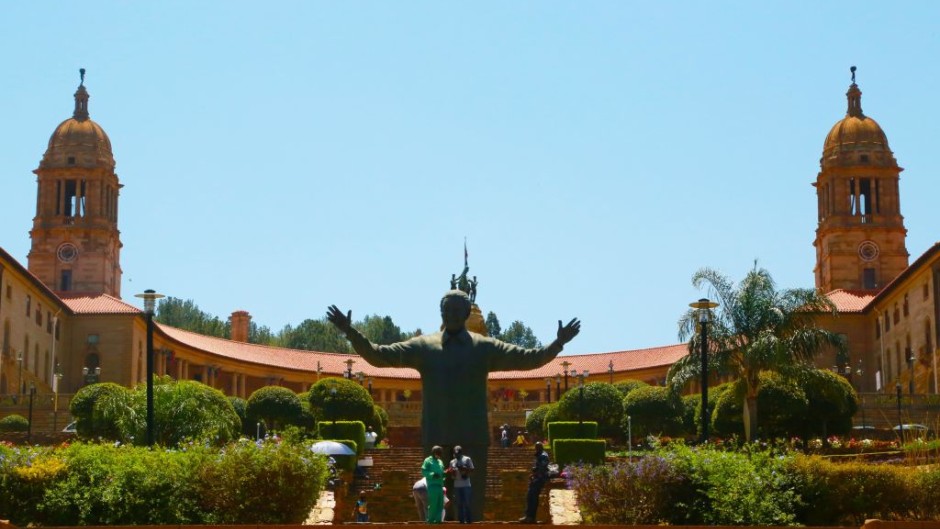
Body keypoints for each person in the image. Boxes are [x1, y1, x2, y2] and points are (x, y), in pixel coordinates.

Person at [327, 289, 580, 521]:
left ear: (467, 313)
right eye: (446, 310)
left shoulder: (484, 347)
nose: (451, 315)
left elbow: (530, 358)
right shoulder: (423, 347)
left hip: (473, 438)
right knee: (435, 508)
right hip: (436, 436)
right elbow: (377, 355)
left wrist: (557, 344)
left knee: (471, 509)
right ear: (441, 313)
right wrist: (350, 332)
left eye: (457, 310)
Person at [520, 442, 551, 523]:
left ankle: (530, 517)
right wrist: (534, 473)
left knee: (532, 497)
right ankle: (529, 516)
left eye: (536, 447)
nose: (535, 449)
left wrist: (535, 475)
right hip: (537, 478)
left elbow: (542, 468)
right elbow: (539, 467)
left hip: (539, 479)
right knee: (530, 497)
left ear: (539, 448)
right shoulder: (541, 455)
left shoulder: (543, 455)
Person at [449, 445, 474, 523]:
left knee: (466, 503)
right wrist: (452, 472)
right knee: (459, 504)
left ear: (461, 452)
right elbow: (451, 473)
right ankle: (461, 521)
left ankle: (469, 520)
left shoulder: (467, 459)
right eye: (455, 453)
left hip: (466, 484)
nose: (456, 455)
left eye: (458, 453)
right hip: (457, 485)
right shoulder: (452, 462)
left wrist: (464, 469)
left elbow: (472, 469)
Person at [421, 445, 446, 524]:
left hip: (440, 486)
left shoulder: (440, 462)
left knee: (440, 505)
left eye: (440, 453)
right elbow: (424, 471)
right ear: (434, 452)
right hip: (432, 486)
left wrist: (445, 473)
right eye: (438, 453)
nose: (439, 455)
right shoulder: (428, 460)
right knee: (433, 504)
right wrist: (432, 474)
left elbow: (442, 473)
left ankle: (438, 521)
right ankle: (431, 522)